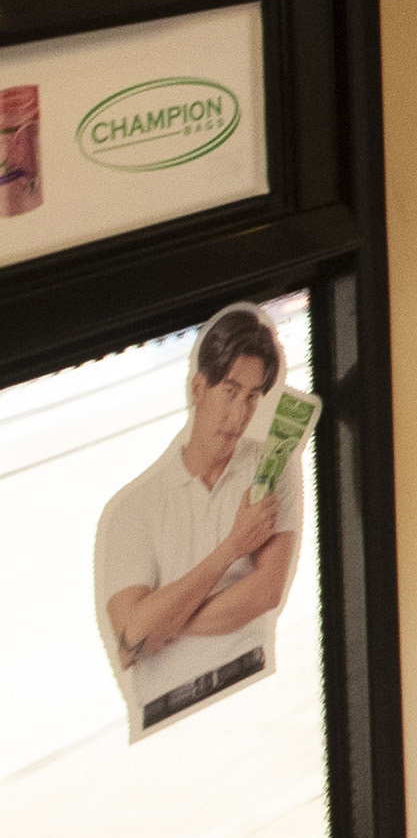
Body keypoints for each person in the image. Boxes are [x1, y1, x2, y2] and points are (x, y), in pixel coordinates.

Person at [95, 308, 304, 735]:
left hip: (254, 695)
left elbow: (265, 593)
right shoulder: (133, 509)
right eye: (229, 391)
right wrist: (232, 547)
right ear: (197, 388)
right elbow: (132, 639)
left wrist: (164, 623)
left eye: (251, 396)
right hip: (165, 722)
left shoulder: (272, 468)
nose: (238, 414)